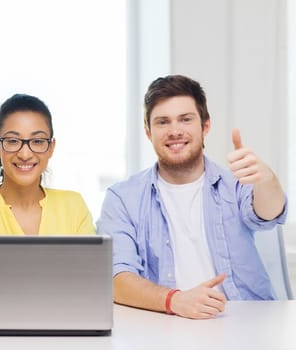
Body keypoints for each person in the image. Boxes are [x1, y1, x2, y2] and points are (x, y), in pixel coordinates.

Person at [97, 74, 287, 320]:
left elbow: (268, 214)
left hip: (242, 320)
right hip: (165, 321)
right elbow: (117, 278)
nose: (175, 131)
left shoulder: (235, 184)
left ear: (205, 126)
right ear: (148, 132)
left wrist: (267, 179)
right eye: (163, 122)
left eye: (185, 119)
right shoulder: (122, 198)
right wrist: (173, 300)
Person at [0, 93, 96, 297]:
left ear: (51, 148)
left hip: (62, 325)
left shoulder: (73, 205)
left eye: (38, 141)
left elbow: (89, 278)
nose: (25, 154)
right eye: (13, 141)